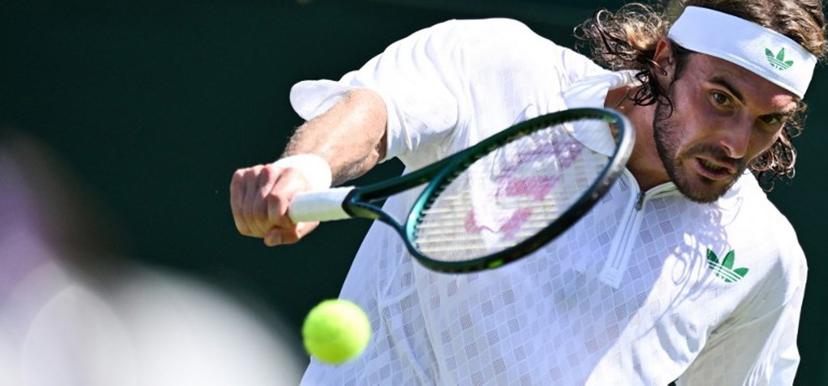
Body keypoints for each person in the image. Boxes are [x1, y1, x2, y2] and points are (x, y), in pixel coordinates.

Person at [230, 1, 825, 384]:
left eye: (768, 120)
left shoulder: (762, 253)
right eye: (720, 99)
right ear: (665, 60)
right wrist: (307, 171)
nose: (737, 143)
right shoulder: (499, 70)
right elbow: (377, 112)